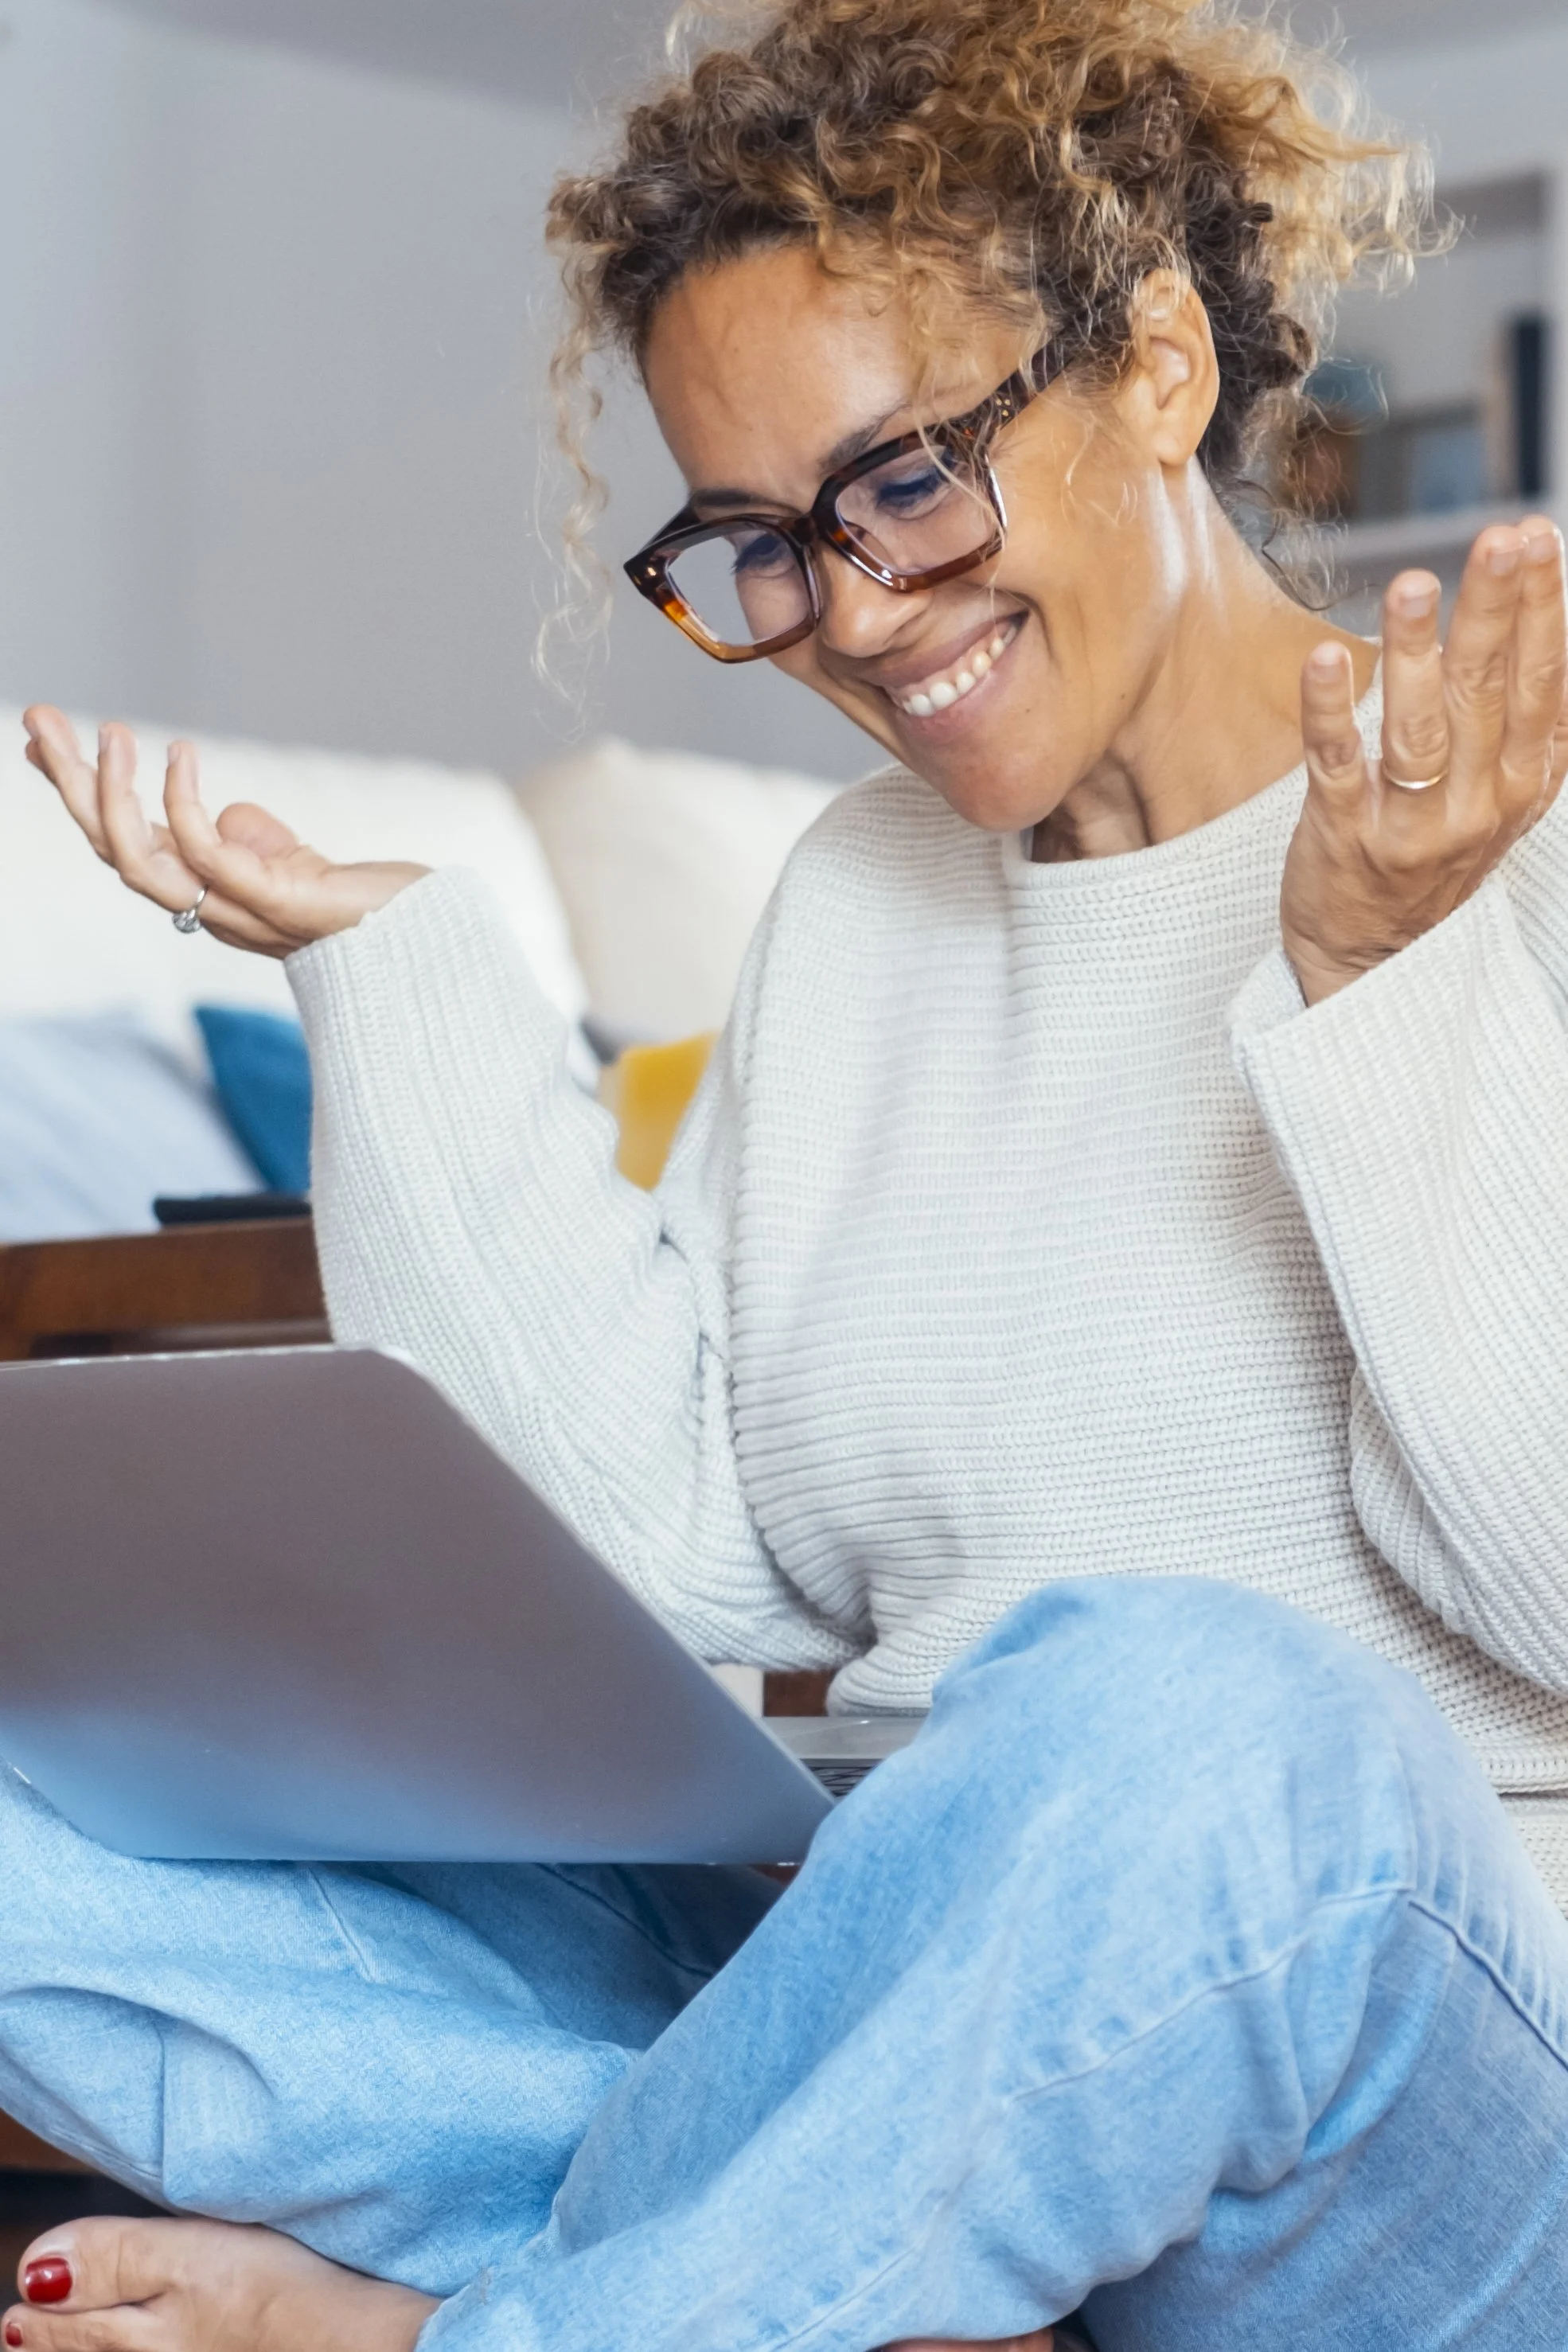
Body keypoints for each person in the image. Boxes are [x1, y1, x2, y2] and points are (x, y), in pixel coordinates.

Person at [8, 0, 1568, 2345]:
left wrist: (1385, 987)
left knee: (1187, 1716)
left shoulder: (1505, 829)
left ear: (1155, 361)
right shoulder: (864, 899)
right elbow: (681, 1554)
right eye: (754, 544)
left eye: (904, 482)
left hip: (1403, 2101)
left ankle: (519, 2315)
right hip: (906, 2003)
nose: (843, 612)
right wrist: (397, 984)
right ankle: (799, 2266)